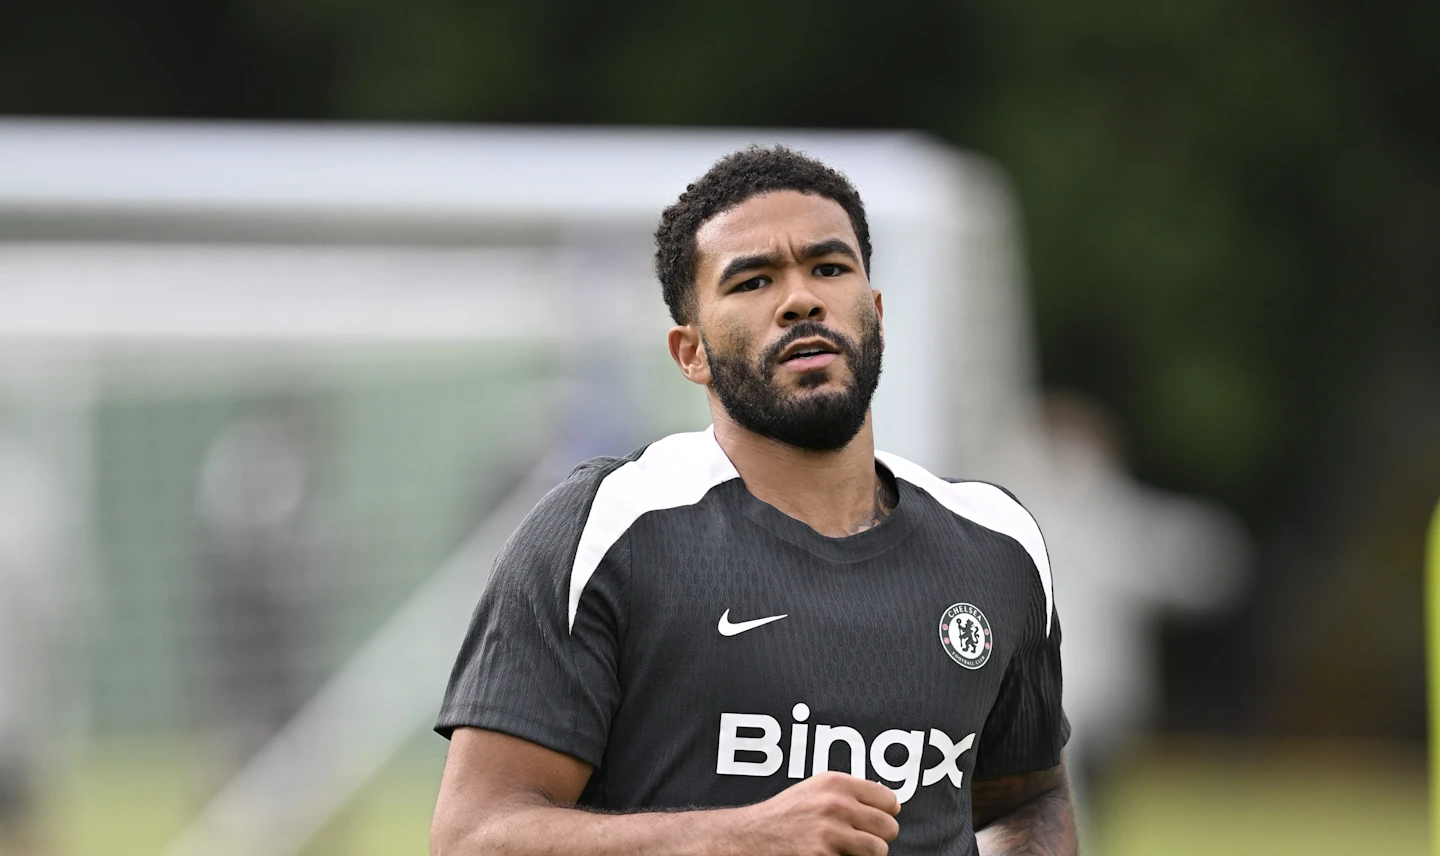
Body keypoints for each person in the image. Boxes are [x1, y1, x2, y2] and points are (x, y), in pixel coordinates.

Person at [431, 146, 1076, 856]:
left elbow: (1027, 797)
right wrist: (739, 837)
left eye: (829, 268)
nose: (801, 299)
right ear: (691, 352)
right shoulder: (606, 531)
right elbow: (471, 837)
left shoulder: (996, 542)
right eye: (753, 280)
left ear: (876, 314)